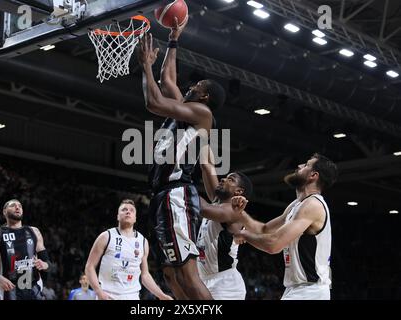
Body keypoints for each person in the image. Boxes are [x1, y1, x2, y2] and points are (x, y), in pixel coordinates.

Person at [138, 16, 226, 300]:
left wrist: (145, 67)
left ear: (206, 95)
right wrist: (174, 39)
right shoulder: (185, 108)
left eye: (197, 84)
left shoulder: (202, 115)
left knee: (187, 273)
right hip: (162, 194)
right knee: (170, 274)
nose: (191, 86)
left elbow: (154, 102)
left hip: (178, 193)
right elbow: (168, 79)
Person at [234, 153, 338, 300]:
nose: (299, 166)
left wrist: (244, 235)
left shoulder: (313, 205)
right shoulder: (296, 205)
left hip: (310, 290)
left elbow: (273, 244)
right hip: (298, 289)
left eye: (306, 165)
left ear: (313, 175)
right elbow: (264, 229)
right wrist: (239, 212)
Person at [85, 199, 173, 300]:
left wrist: (162, 296)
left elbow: (145, 275)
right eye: (124, 209)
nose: (128, 211)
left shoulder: (143, 242)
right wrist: (99, 292)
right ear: (118, 216)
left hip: (132, 296)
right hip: (107, 295)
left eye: (131, 210)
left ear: (135, 218)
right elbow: (89, 267)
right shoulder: (106, 236)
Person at [197, 160, 253, 299]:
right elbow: (206, 165)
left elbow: (201, 208)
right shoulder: (217, 204)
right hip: (205, 279)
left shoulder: (233, 211)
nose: (223, 179)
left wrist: (181, 186)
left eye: (230, 179)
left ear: (238, 191)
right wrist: (203, 139)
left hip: (225, 284)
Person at [0, 199, 50, 300]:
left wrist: (45, 265)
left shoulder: (34, 232)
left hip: (33, 289)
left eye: (20, 206)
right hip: (10, 290)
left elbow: (48, 264)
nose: (17, 207)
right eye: (13, 205)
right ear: (4, 211)